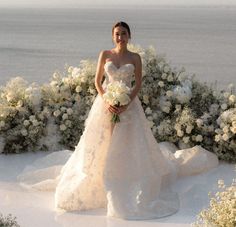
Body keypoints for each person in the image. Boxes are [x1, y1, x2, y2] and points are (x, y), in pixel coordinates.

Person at [17, 21, 219, 220]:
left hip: (129, 105)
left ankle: (122, 178)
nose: (120, 37)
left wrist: (125, 102)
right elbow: (97, 82)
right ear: (112, 36)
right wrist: (107, 100)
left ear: (129, 36)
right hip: (105, 104)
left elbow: (137, 84)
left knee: (127, 141)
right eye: (117, 34)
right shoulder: (105, 54)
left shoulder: (135, 57)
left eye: (123, 33)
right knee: (102, 140)